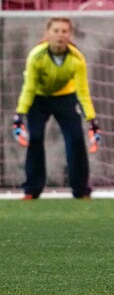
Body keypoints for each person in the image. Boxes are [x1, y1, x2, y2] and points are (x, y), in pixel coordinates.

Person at [13, 17, 100, 200]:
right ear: (47, 34)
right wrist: (19, 115)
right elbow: (28, 87)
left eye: (64, 31)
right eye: (56, 31)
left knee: (76, 139)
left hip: (65, 97)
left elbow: (83, 92)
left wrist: (91, 119)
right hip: (38, 97)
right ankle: (31, 190)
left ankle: (81, 190)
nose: (60, 35)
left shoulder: (77, 58)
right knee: (35, 138)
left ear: (70, 35)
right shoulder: (36, 56)